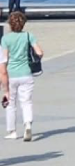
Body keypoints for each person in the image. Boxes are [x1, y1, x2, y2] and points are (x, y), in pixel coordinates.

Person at [1, 11, 43, 142]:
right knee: (26, 102)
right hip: (26, 73)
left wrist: (4, 86)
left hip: (11, 74)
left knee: (10, 103)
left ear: (10, 24)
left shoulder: (6, 39)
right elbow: (39, 53)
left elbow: (5, 59)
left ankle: (12, 131)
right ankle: (28, 124)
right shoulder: (29, 36)